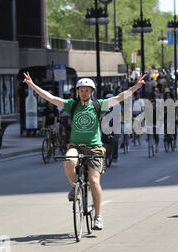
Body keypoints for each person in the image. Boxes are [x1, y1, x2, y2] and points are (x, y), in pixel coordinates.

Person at [23, 71, 146, 231]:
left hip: (94, 148)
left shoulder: (98, 105)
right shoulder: (72, 105)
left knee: (94, 181)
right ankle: (74, 186)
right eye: (81, 90)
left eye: (87, 90)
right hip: (76, 146)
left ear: (92, 92)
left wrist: (137, 85)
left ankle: (98, 216)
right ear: (77, 92)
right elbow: (51, 98)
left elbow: (119, 97)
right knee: (69, 162)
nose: (84, 92)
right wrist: (32, 85)